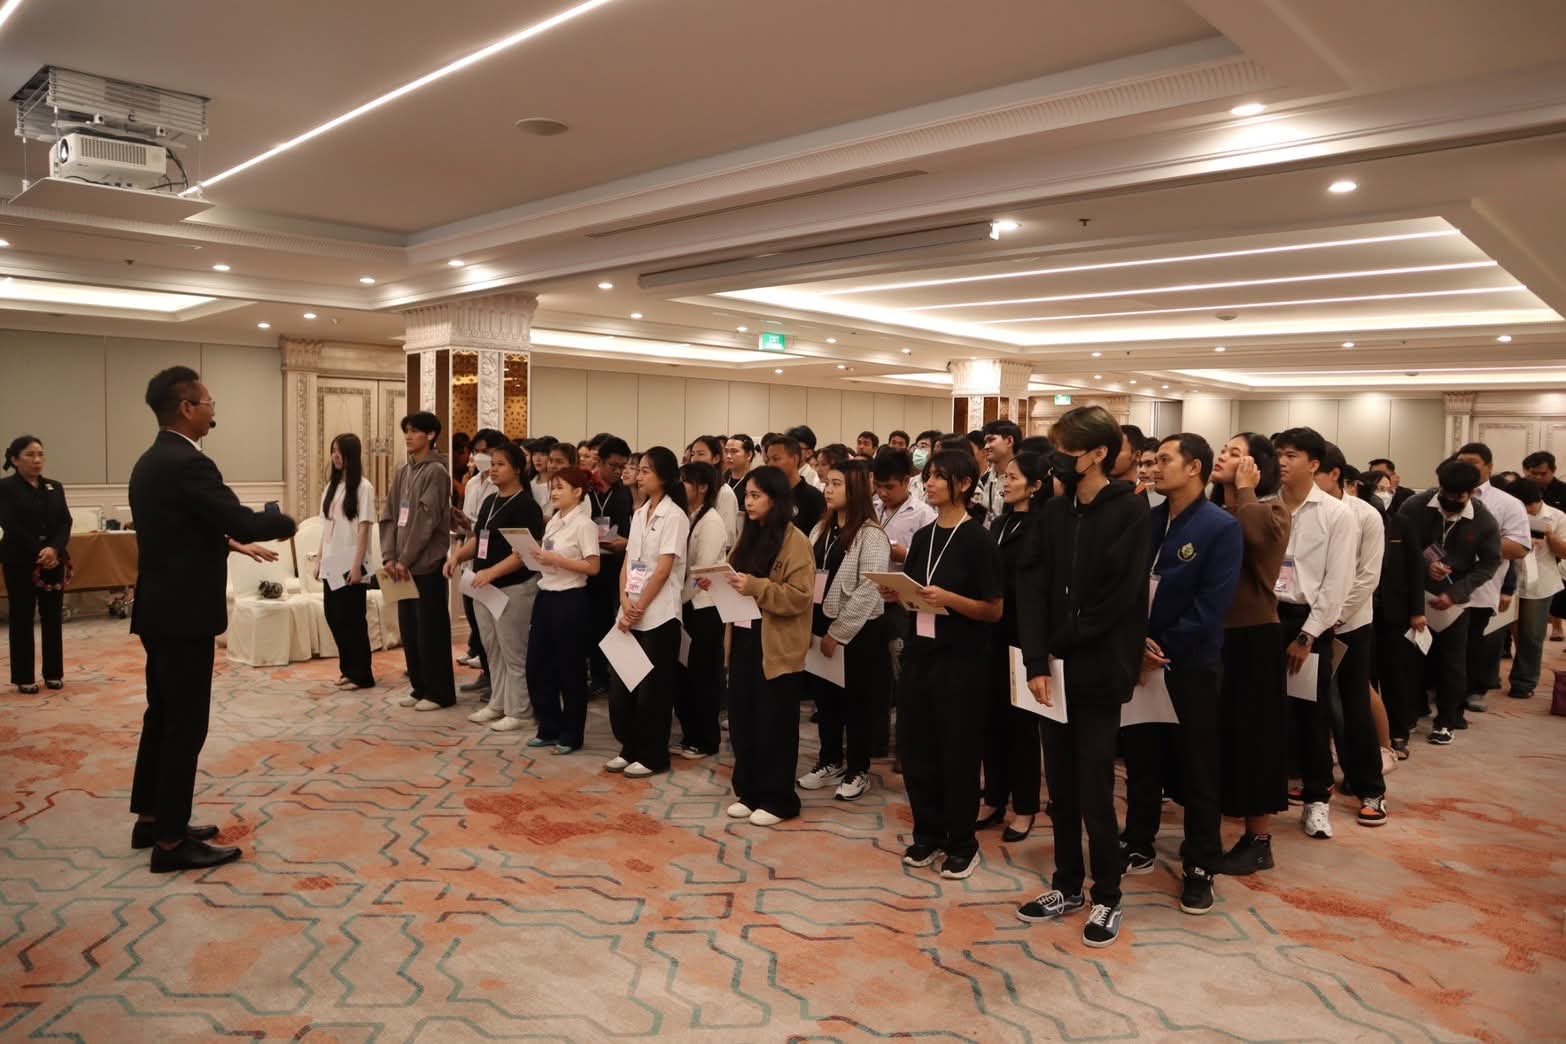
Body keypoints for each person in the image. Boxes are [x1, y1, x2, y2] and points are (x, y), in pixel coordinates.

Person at [129, 366, 297, 871]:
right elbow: (240, 518)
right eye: (209, 403)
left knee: (161, 717)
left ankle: (152, 820)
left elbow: (180, 529)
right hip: (184, 615)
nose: (213, 412)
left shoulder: (150, 461)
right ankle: (171, 844)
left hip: (159, 609)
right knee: (185, 725)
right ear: (187, 407)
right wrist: (282, 520)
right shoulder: (190, 463)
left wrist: (228, 542)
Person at [1013, 407, 1149, 948]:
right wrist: (1036, 659)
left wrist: (1059, 642)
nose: (1057, 460)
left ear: (1097, 454)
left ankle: (1107, 893)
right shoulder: (1053, 511)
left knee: (1095, 787)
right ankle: (1066, 884)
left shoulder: (1130, 511)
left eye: (1067, 450)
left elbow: (1118, 597)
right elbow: (1030, 585)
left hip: (1099, 666)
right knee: (1062, 786)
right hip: (1052, 669)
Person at [1120, 434, 1240, 915]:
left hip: (1189, 664)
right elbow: (1127, 588)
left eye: (1165, 460)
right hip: (1140, 658)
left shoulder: (1220, 527)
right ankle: (1138, 841)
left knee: (1198, 766)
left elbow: (1212, 606)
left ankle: (1201, 864)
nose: (1154, 468)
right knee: (1141, 757)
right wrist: (1136, 645)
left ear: (1194, 468)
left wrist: (1162, 648)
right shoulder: (1148, 520)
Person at [882, 447, 1002, 876]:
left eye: (938, 476)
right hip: (920, 655)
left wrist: (951, 599)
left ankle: (961, 843)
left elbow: (994, 609)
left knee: (958, 754)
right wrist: (897, 594)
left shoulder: (978, 540)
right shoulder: (924, 536)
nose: (928, 483)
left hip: (962, 661)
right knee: (917, 750)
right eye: (928, 475)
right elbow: (917, 594)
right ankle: (927, 835)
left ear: (964, 484)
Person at [1208, 434, 1291, 876]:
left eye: (1235, 453)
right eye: (1223, 450)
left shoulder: (1270, 512)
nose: (1223, 456)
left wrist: (1244, 489)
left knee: (1254, 739)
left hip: (1253, 636)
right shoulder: (1211, 511)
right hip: (1210, 635)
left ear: (1257, 468)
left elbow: (1252, 534)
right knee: (1216, 736)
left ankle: (1259, 839)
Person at [1269, 427, 1354, 839]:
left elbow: (1337, 583)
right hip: (1264, 616)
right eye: (1278, 455)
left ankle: (1317, 800)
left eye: (1291, 455)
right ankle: (1265, 795)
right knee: (1266, 711)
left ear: (1314, 463)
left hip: (1307, 622)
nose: (1282, 462)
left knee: (1311, 716)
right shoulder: (1266, 505)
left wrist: (1308, 636)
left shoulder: (1336, 514)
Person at [716, 466, 814, 825]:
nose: (749, 501)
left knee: (774, 724)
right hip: (743, 638)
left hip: (776, 646)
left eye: (756, 495)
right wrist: (717, 582)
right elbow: (734, 576)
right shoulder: (748, 534)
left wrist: (755, 587)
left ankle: (778, 799)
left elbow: (800, 596)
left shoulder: (795, 540)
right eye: (747, 495)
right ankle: (749, 791)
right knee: (743, 720)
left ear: (776, 499)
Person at [798, 460, 891, 801]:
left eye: (837, 484)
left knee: (858, 703)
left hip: (857, 631)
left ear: (856, 489)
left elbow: (869, 588)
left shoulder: (871, 534)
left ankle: (858, 769)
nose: (828, 489)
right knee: (826, 699)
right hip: (819, 622)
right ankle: (830, 760)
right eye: (828, 483)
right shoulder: (821, 529)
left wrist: (838, 633)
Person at [1398, 459, 1502, 744]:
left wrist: (1456, 593)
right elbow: (1398, 545)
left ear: (1472, 492)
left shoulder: (1484, 520)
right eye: (1446, 494)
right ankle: (1409, 714)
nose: (1451, 501)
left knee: (1452, 665)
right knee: (1410, 662)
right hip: (1415, 597)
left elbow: (1490, 563)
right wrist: (1424, 564)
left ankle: (1446, 721)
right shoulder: (1414, 507)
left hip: (1454, 604)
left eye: (1459, 497)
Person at [1313, 445, 1389, 826]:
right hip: (1310, 624)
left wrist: (1332, 616)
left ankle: (1370, 788)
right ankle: (1317, 780)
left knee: (1354, 706)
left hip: (1350, 625)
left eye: (1314, 472)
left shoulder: (1366, 515)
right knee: (1313, 706)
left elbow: (1367, 577)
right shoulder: (1303, 511)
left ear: (1334, 474)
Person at [446, 443, 545, 733]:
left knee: (514, 652)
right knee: (493, 650)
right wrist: (457, 557)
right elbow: (480, 539)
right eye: (492, 464)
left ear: (517, 469)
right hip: (484, 587)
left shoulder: (526, 506)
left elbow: (523, 553)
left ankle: (521, 710)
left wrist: (491, 572)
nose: (493, 469)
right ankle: (499, 703)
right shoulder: (490, 501)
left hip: (513, 587)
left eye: (500, 464)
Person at [977, 451, 1049, 843]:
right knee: (991, 721)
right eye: (1005, 477)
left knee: (1021, 728)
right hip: (992, 631)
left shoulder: (1043, 526)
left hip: (1025, 634)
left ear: (1036, 486)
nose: (1005, 484)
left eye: (1014, 478)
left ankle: (1024, 807)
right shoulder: (1000, 522)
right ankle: (994, 798)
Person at [605, 446, 690, 779]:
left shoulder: (675, 516)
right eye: (638, 470)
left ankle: (653, 755)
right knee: (623, 688)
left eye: (645, 471)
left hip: (659, 615)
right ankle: (629, 748)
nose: (638, 476)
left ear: (664, 477)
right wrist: (625, 602)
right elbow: (629, 562)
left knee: (652, 693)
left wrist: (639, 607)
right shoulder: (639, 513)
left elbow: (664, 569)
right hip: (631, 611)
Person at [380, 411, 457, 712]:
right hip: (401, 566)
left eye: (414, 431)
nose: (408, 436)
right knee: (410, 630)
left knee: (430, 630)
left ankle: (439, 692)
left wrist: (406, 559)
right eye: (406, 431)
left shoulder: (436, 472)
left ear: (431, 435)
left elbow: (426, 521)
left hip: (425, 565)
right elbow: (389, 515)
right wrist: (389, 556)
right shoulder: (404, 472)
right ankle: (420, 686)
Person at [525, 467, 600, 753]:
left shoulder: (584, 525)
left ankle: (571, 734)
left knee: (570, 669)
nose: (554, 493)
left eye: (560, 488)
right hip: (546, 596)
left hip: (571, 599)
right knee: (537, 665)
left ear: (578, 492)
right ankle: (549, 727)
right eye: (552, 488)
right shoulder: (554, 521)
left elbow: (593, 566)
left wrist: (556, 559)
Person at [1454, 443, 1531, 712]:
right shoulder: (1439, 496)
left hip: (1483, 587)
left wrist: (1473, 544)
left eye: (1473, 462)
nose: (1466, 467)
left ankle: (1475, 690)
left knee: (1478, 644)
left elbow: (1519, 547)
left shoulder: (1507, 503)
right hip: (1442, 586)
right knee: (1446, 647)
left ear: (1489, 467)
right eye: (1461, 462)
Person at [1355, 473, 1425, 761]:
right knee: (1366, 676)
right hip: (1363, 613)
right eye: (1379, 488)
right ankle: (1372, 734)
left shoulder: (1402, 524)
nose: (1385, 493)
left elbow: (1416, 570)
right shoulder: (1356, 520)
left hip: (1396, 613)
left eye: (1388, 489)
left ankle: (1399, 733)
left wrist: (1417, 610)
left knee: (1395, 674)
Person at [1, 435, 71, 694]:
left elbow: (65, 522)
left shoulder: (54, 487)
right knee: (21, 616)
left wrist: (54, 549)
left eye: (40, 454)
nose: (37, 460)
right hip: (20, 560)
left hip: (53, 561)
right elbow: (9, 523)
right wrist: (39, 550)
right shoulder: (5, 488)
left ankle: (53, 673)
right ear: (15, 459)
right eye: (30, 455)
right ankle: (23, 676)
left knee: (52, 616)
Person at [676, 461, 729, 759]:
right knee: (686, 675)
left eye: (685, 481)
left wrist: (677, 599)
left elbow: (701, 572)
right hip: (687, 605)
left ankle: (706, 739)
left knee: (703, 675)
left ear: (703, 487)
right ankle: (691, 735)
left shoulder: (711, 521)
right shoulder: (688, 515)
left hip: (704, 607)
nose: (680, 485)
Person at [316, 433, 376, 690]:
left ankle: (362, 674)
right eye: (333, 451)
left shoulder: (364, 487)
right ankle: (348, 669)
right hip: (331, 562)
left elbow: (364, 529)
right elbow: (326, 527)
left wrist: (356, 565)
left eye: (339, 452)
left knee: (353, 619)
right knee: (334, 616)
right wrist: (319, 559)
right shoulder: (331, 487)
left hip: (351, 562)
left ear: (352, 455)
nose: (335, 456)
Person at [454, 428, 505, 696]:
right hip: (470, 555)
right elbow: (471, 522)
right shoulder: (473, 483)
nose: (481, 457)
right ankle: (486, 670)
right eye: (477, 451)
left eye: (486, 451)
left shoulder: (501, 485)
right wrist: (460, 523)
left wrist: (473, 525)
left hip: (492, 560)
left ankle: (497, 679)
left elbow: (493, 528)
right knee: (476, 621)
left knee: (494, 625)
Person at [1507, 479, 1566, 699]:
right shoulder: (1508, 513)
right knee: (1497, 633)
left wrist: (1549, 535)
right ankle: (1486, 680)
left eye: (1528, 506)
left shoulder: (1557, 517)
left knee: (1532, 635)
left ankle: (1523, 682)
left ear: (1538, 500)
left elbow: (1564, 551)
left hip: (1540, 582)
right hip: (1506, 580)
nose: (1524, 511)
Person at [585, 436, 634, 695]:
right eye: (613, 466)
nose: (618, 472)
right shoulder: (585, 487)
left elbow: (627, 529)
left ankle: (607, 677)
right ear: (599, 461)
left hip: (614, 564)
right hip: (588, 564)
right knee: (590, 622)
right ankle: (595, 674)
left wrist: (624, 543)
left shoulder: (623, 492)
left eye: (622, 467)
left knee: (610, 621)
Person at [1522, 451, 1566, 640]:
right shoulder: (1520, 490)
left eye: (1543, 473)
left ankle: (1557, 625)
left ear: (1553, 471)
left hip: (1556, 541)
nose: (1538, 477)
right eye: (1534, 473)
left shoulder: (1563, 491)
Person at [765, 434, 827, 536]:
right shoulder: (767, 494)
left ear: (794, 459)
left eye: (776, 459)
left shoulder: (813, 497)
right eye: (768, 460)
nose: (770, 464)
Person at [686, 436, 740, 538]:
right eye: (692, 454)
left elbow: (728, 537)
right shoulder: (693, 489)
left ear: (716, 458)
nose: (694, 459)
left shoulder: (724, 493)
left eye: (701, 454)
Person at [977, 419, 1020, 528]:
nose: (986, 447)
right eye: (985, 442)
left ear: (1009, 441)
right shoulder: (985, 479)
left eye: (991, 440)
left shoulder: (1024, 478)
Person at [785, 425, 825, 490]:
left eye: (795, 448)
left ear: (808, 453)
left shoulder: (816, 481)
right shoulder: (781, 476)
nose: (790, 451)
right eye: (787, 447)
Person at [527, 437, 558, 516]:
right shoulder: (529, 484)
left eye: (543, 454)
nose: (537, 459)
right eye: (534, 454)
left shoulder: (558, 484)